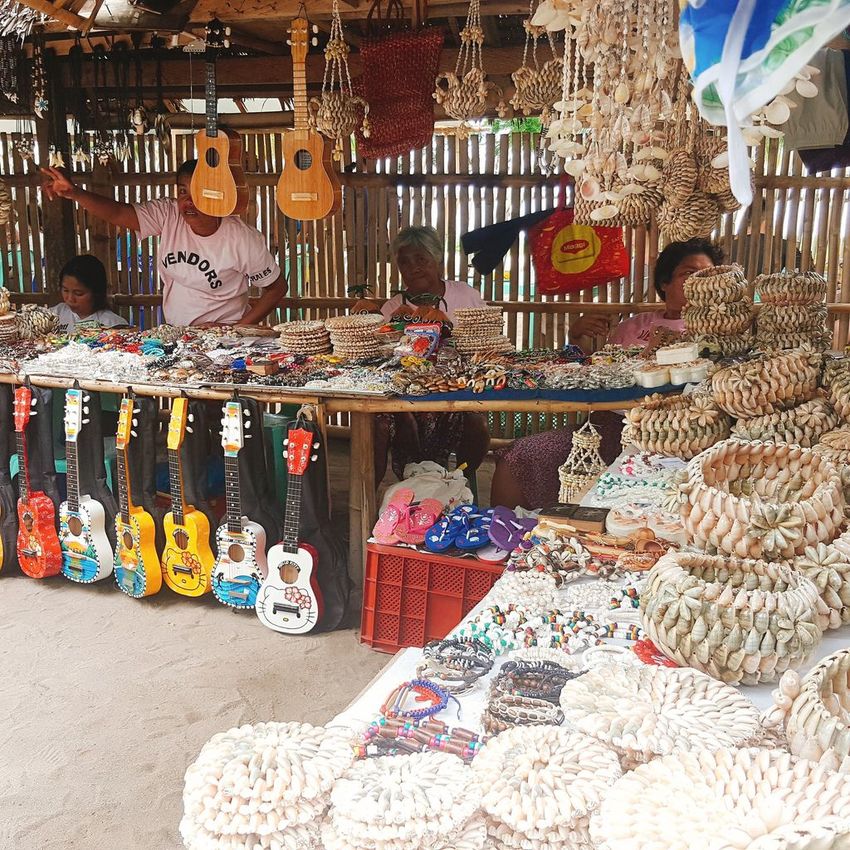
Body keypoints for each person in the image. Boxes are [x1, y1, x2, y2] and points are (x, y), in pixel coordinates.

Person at [490, 238, 725, 510]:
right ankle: (502, 537)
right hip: (611, 429)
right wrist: (577, 337)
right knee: (517, 457)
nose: (699, 281)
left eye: (706, 275)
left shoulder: (723, 333)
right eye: (688, 274)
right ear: (665, 283)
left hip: (684, 436)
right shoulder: (634, 327)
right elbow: (595, 373)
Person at [40, 160, 287, 327]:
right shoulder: (168, 215)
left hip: (225, 344)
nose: (188, 202)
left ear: (216, 194)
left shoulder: (242, 239)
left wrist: (238, 329)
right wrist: (75, 194)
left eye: (198, 194)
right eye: (182, 192)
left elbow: (276, 288)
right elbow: (117, 213)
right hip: (178, 336)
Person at [375, 225, 491, 482]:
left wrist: (446, 325)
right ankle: (379, 497)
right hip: (405, 398)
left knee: (477, 423)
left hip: (457, 390)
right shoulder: (394, 308)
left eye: (421, 259)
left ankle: (460, 481)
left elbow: (486, 341)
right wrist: (396, 329)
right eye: (404, 262)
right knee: (384, 425)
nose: (413, 267)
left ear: (436, 259)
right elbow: (383, 361)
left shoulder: (464, 295)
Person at [49, 254, 126, 331]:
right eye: (65, 290)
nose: (70, 299)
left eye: (78, 293)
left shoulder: (113, 324)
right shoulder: (56, 314)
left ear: (96, 292)